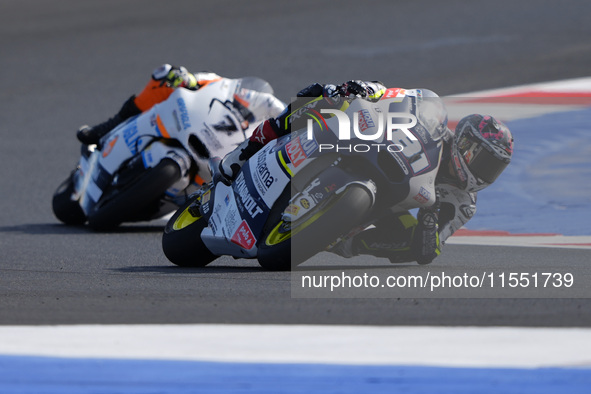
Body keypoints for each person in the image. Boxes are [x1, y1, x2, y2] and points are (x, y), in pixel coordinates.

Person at [219, 80, 514, 265]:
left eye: (492, 168)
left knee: (408, 248)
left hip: (390, 204)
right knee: (321, 97)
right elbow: (397, 96)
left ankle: (344, 238)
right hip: (376, 147)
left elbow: (429, 251)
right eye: (481, 159)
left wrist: (429, 219)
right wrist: (366, 90)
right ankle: (246, 150)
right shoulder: (435, 121)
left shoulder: (463, 202)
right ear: (464, 141)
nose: (482, 171)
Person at [76, 64, 222, 145]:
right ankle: (110, 127)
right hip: (202, 115)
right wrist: (191, 80)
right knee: (165, 76)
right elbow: (216, 81)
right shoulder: (241, 91)